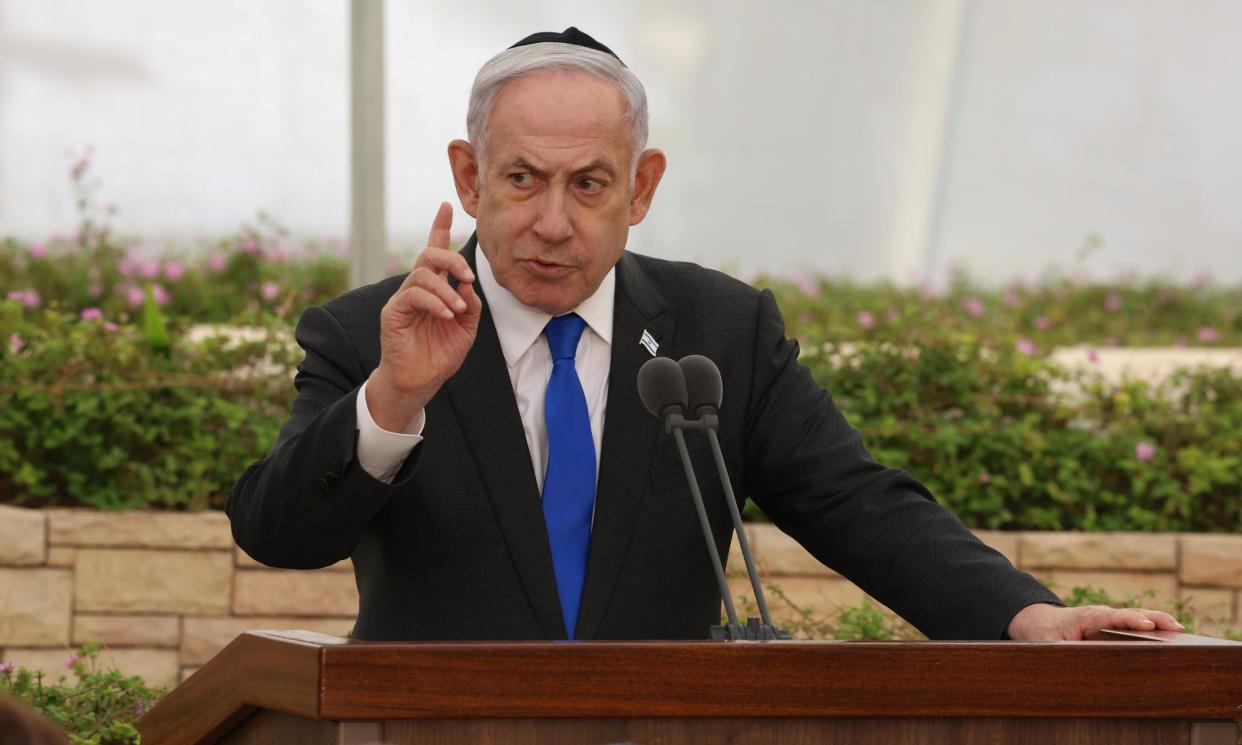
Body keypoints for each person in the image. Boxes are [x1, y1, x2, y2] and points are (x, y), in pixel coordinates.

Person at [228, 27, 1182, 642]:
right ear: (469, 175)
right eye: (522, 180)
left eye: (590, 184)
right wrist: (394, 399)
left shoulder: (719, 332)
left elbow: (859, 505)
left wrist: (1025, 618)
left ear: (641, 189)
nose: (552, 221)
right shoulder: (372, 332)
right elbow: (276, 532)